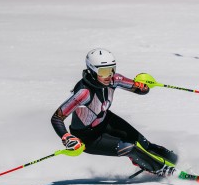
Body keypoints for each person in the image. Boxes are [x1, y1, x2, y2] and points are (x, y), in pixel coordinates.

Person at [51, 48, 177, 176]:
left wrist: (143, 87)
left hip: (105, 120)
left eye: (112, 69)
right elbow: (57, 118)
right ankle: (161, 169)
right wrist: (66, 137)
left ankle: (176, 160)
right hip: (87, 137)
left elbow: (138, 89)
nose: (109, 75)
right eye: (104, 72)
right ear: (92, 70)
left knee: (143, 143)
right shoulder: (84, 93)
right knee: (129, 148)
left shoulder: (114, 79)